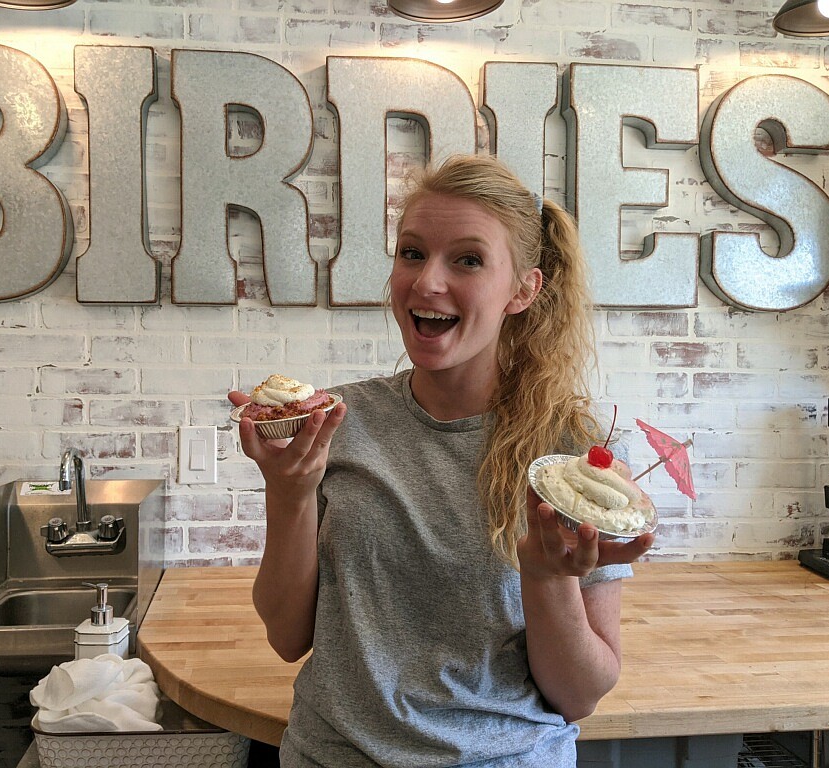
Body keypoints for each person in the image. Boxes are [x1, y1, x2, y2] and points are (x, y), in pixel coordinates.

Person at [228, 153, 654, 767]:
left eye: (469, 259)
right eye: (411, 252)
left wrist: (547, 578)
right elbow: (287, 637)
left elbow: (580, 695)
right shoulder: (339, 422)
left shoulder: (570, 458)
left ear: (522, 290)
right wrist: (289, 491)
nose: (426, 282)